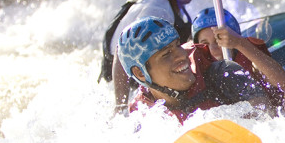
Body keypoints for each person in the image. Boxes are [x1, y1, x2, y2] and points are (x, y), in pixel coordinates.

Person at [99, 0, 207, 114]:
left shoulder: (171, 4)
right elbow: (123, 52)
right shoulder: (157, 8)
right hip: (129, 90)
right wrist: (120, 109)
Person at [117, 16, 273, 123]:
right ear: (140, 74)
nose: (181, 55)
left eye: (177, 45)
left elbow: (265, 112)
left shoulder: (222, 73)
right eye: (166, 54)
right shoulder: (141, 113)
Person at [191, 7, 285, 106]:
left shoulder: (252, 59)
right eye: (205, 44)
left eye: (218, 40)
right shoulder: (198, 72)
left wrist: (239, 43)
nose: (213, 49)